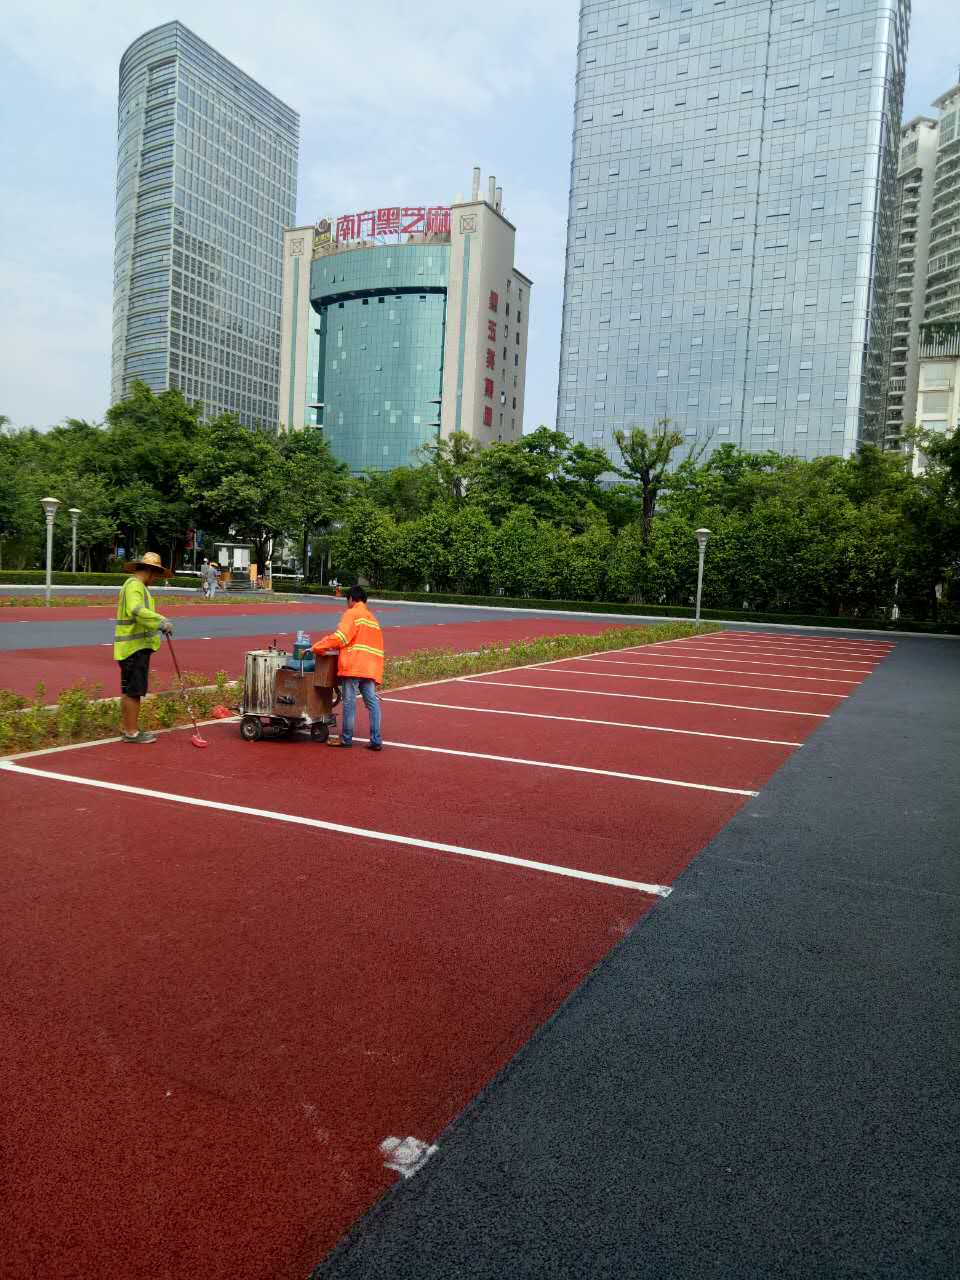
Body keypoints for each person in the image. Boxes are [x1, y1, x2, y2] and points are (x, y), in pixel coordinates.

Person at [311, 585, 384, 750]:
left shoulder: (352, 614)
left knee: (349, 702)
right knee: (372, 702)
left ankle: (346, 738)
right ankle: (376, 740)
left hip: (354, 665)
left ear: (351, 599)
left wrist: (318, 647)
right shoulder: (372, 619)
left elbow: (340, 638)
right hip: (370, 667)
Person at [113, 551, 174, 744]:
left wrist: (156, 623)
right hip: (134, 647)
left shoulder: (136, 586)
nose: (155, 579)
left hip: (133, 647)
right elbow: (136, 610)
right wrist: (160, 621)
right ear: (149, 570)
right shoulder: (135, 587)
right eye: (155, 574)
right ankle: (131, 732)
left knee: (131, 690)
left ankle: (129, 728)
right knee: (134, 691)